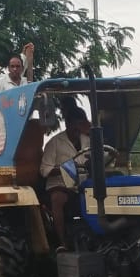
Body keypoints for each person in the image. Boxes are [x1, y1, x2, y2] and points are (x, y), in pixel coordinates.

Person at [40, 106, 92, 249]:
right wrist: (65, 169)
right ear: (68, 124)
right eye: (75, 124)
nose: (78, 128)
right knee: (58, 198)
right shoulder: (54, 143)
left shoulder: (88, 140)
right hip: (61, 185)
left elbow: (103, 157)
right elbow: (44, 170)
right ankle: (62, 242)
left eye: (81, 124)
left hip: (83, 184)